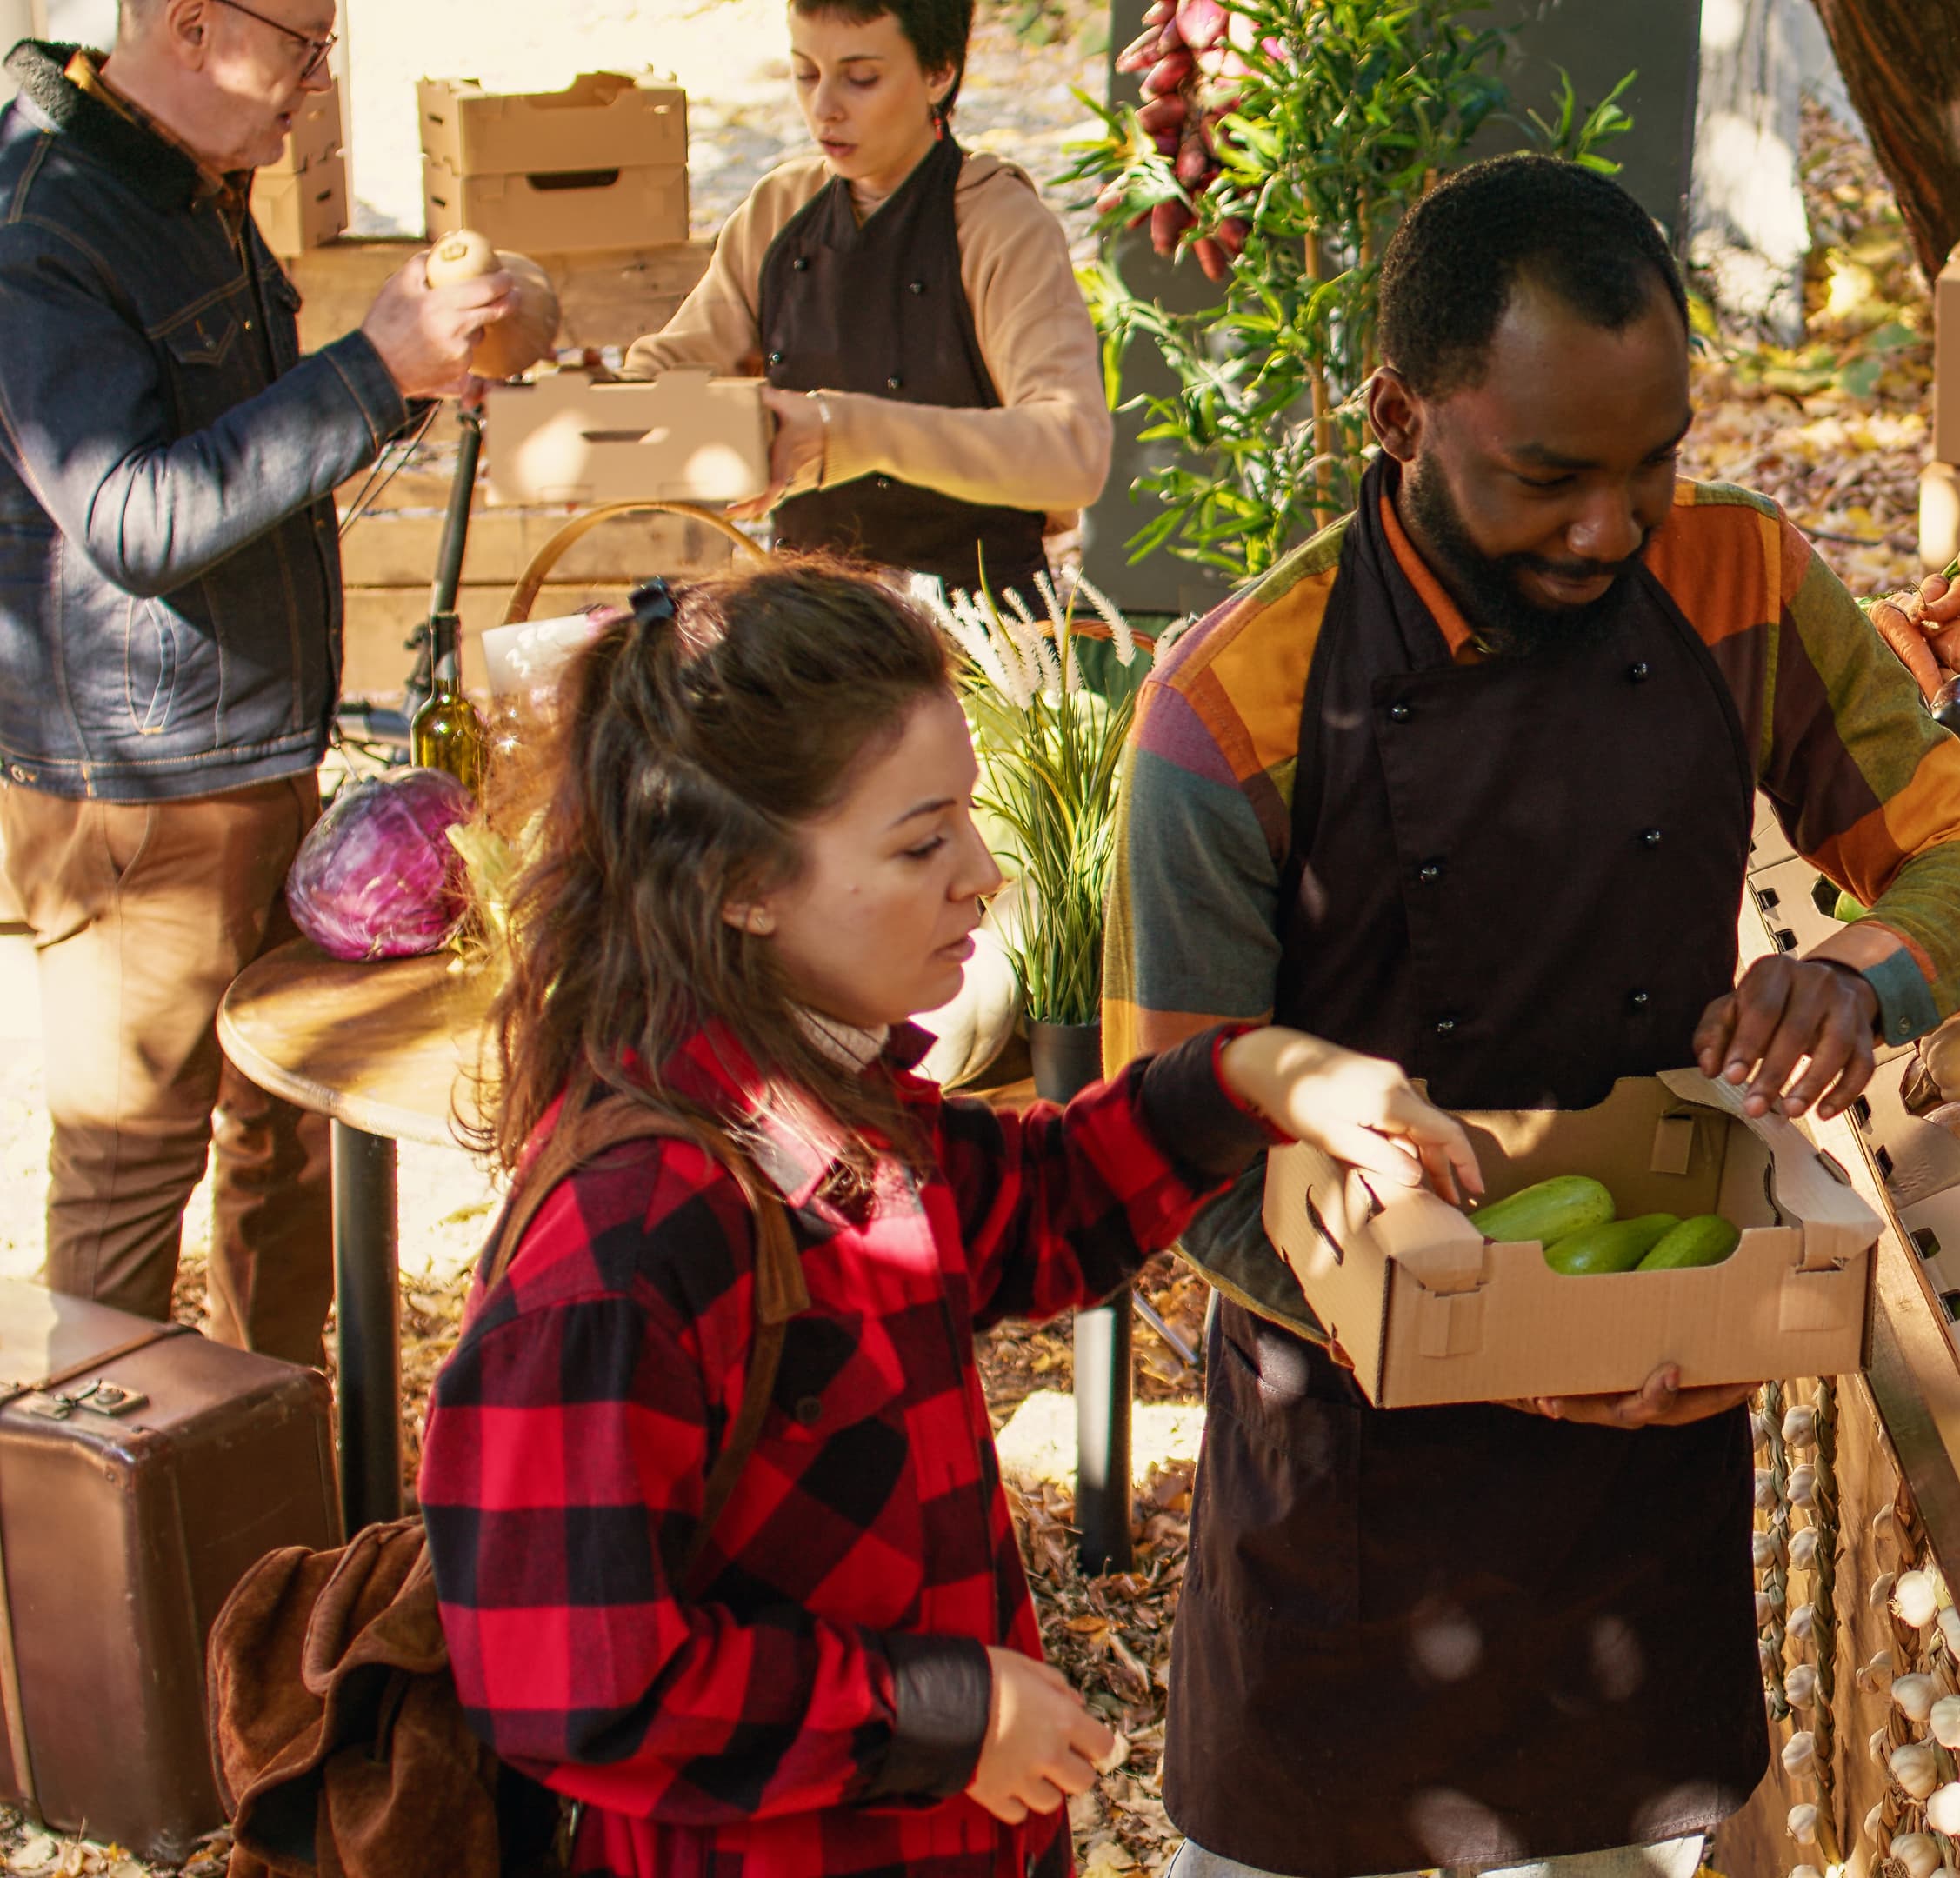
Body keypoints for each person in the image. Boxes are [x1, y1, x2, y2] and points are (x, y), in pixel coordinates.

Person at [1104, 154, 1960, 1878]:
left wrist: (1867, 976)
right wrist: (1475, 1328)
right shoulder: (1227, 708)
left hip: (1649, 1467)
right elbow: (1168, 1151)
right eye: (1550, 477)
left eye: (1653, 461)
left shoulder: (1736, 576)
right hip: (1352, 1515)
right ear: (1399, 414)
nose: (1613, 529)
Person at [418, 563, 1479, 1878]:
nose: (980, 872)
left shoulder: (815, 1099)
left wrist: (1257, 1077)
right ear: (742, 881)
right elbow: (571, 1680)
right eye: (922, 842)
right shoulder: (631, 1237)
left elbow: (1030, 1207)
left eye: (967, 820)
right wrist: (941, 1714)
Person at [0, 3, 509, 1365]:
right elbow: (134, 517)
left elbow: (228, 442)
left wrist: (405, 385)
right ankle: (94, 1550)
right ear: (191, 27)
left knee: (287, 1140)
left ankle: (272, 1512)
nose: (319, 84)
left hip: (254, 749)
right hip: (143, 794)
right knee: (128, 1183)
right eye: (306, 42)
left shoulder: (185, 177)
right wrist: (371, 366)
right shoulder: (45, 221)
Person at [625, 0, 1110, 603]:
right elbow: (671, 368)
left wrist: (847, 432)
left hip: (982, 641)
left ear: (941, 73)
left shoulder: (1001, 224)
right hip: (807, 625)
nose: (824, 107)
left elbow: (1073, 453)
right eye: (806, 73)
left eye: (861, 78)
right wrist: (599, 426)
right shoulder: (780, 209)